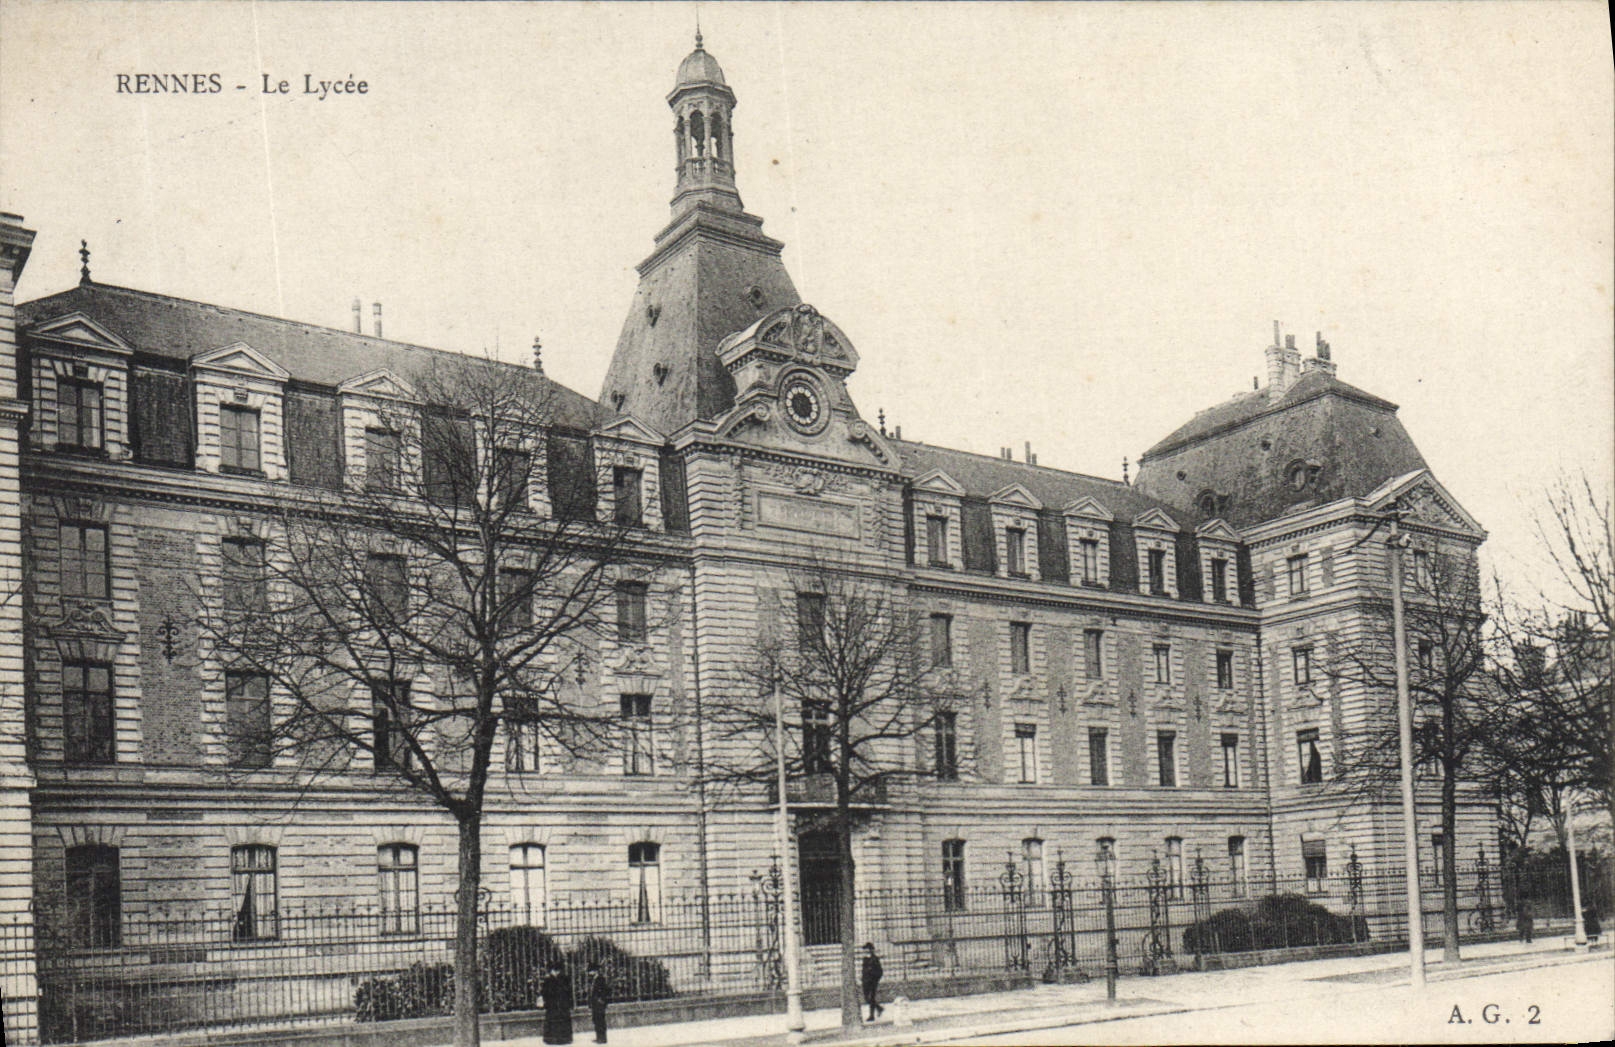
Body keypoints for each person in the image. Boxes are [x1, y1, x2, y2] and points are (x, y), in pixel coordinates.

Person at [540, 960, 574, 1045]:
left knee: (559, 1021)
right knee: (555, 1021)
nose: (555, 972)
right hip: (554, 1004)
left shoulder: (562, 979)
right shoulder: (549, 980)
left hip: (560, 1004)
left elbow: (569, 991)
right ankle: (556, 1039)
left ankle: (561, 1039)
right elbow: (544, 993)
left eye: (556, 970)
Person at [586, 960, 611, 1044]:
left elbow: (605, 990)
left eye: (591, 971)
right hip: (595, 1003)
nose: (589, 973)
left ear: (595, 971)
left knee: (600, 1021)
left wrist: (601, 1000)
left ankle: (602, 1038)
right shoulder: (594, 979)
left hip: (599, 1003)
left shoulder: (600, 979)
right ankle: (598, 1037)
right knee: (596, 1020)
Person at [860, 942, 884, 1022]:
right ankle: (879, 1008)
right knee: (867, 998)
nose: (865, 951)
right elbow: (864, 971)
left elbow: (880, 971)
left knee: (872, 998)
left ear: (870, 950)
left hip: (872, 981)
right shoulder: (865, 959)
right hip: (865, 981)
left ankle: (872, 1015)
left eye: (866, 949)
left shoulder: (875, 959)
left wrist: (875, 978)